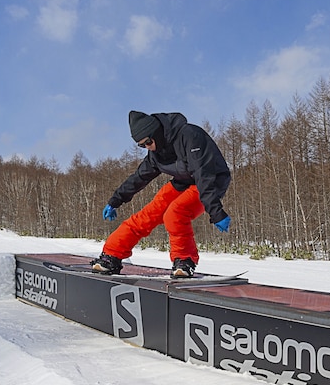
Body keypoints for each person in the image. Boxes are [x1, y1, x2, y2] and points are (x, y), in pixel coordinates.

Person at [91, 110, 232, 277]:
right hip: (183, 182)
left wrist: (216, 212)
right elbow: (139, 178)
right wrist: (115, 200)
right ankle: (111, 256)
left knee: (175, 213)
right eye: (142, 146)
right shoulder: (155, 154)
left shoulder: (189, 135)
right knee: (148, 214)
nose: (147, 148)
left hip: (211, 182)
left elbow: (203, 174)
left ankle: (184, 260)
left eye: (148, 142)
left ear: (157, 133)